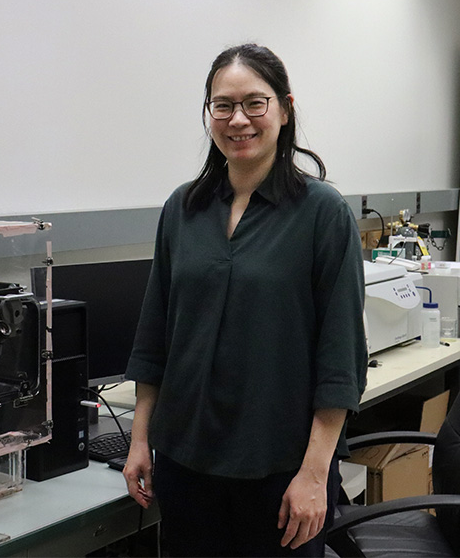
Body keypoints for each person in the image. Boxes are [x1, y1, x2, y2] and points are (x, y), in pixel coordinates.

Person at [122, 43, 367, 557]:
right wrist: (141, 439)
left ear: (284, 108)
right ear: (209, 113)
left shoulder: (322, 213)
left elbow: (341, 358)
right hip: (185, 462)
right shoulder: (183, 208)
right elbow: (155, 336)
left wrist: (314, 475)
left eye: (255, 103)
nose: (239, 120)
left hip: (278, 469)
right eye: (223, 105)